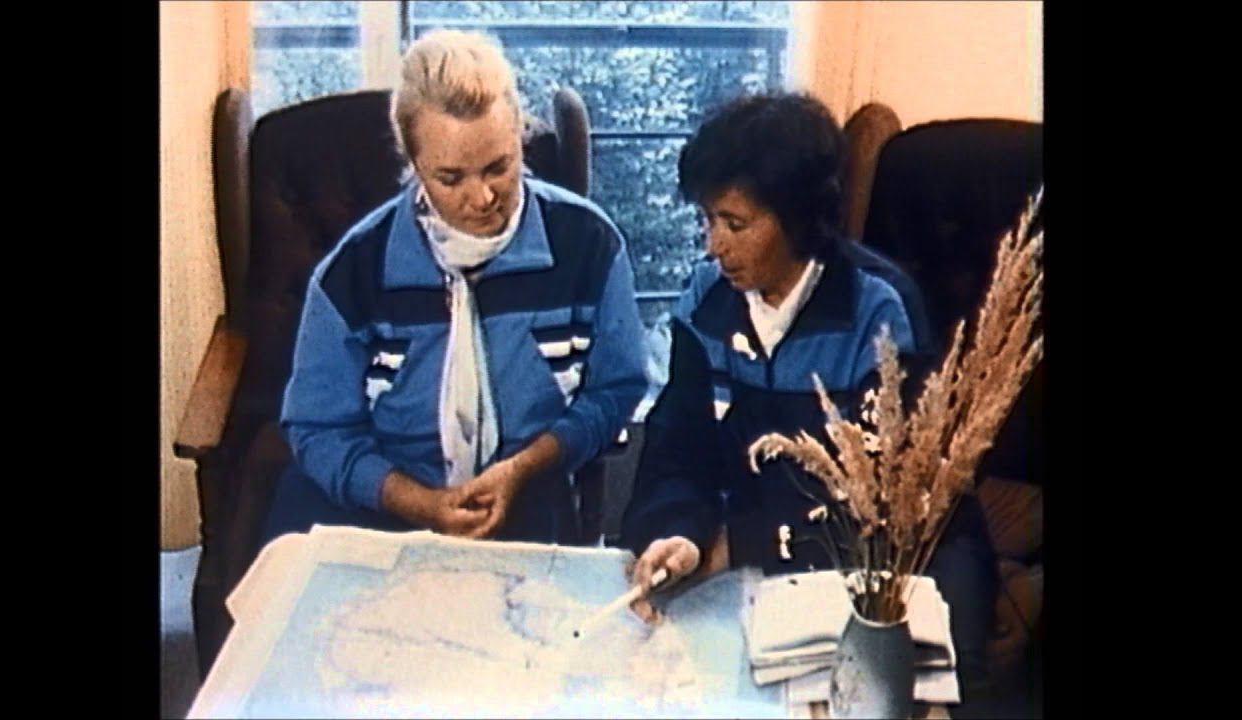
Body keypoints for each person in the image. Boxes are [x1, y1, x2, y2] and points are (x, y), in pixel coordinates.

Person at [619, 92, 997, 700]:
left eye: (735, 224)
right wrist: (678, 530)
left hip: (878, 571)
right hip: (759, 575)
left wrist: (741, 541)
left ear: (796, 222)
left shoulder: (878, 309)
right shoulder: (706, 300)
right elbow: (674, 450)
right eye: (708, 220)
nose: (713, 246)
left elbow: (884, 500)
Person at [261, 29, 649, 547]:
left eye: (499, 167)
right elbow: (317, 430)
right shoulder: (352, 272)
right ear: (413, 161)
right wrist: (417, 502)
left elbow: (615, 390)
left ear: (520, 137)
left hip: (525, 494)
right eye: (450, 178)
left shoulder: (590, 244)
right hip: (377, 505)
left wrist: (526, 467)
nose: (482, 197)